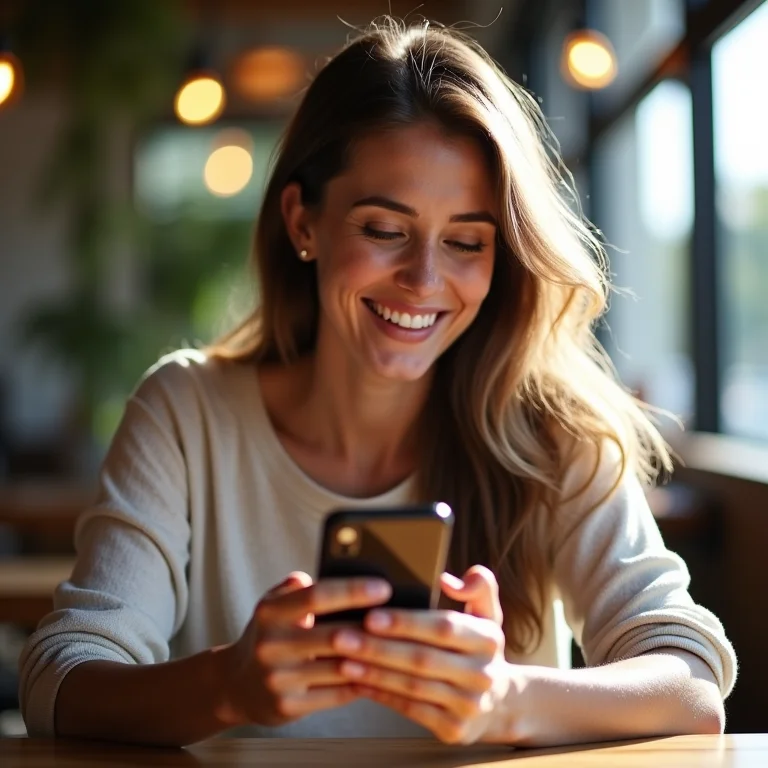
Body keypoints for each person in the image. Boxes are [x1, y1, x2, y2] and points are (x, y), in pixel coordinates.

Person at [19, 18, 735, 748]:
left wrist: (506, 699)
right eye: (384, 230)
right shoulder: (186, 413)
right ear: (304, 221)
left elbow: (689, 683)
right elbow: (59, 680)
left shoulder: (550, 428)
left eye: (465, 241)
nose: (425, 281)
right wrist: (227, 686)